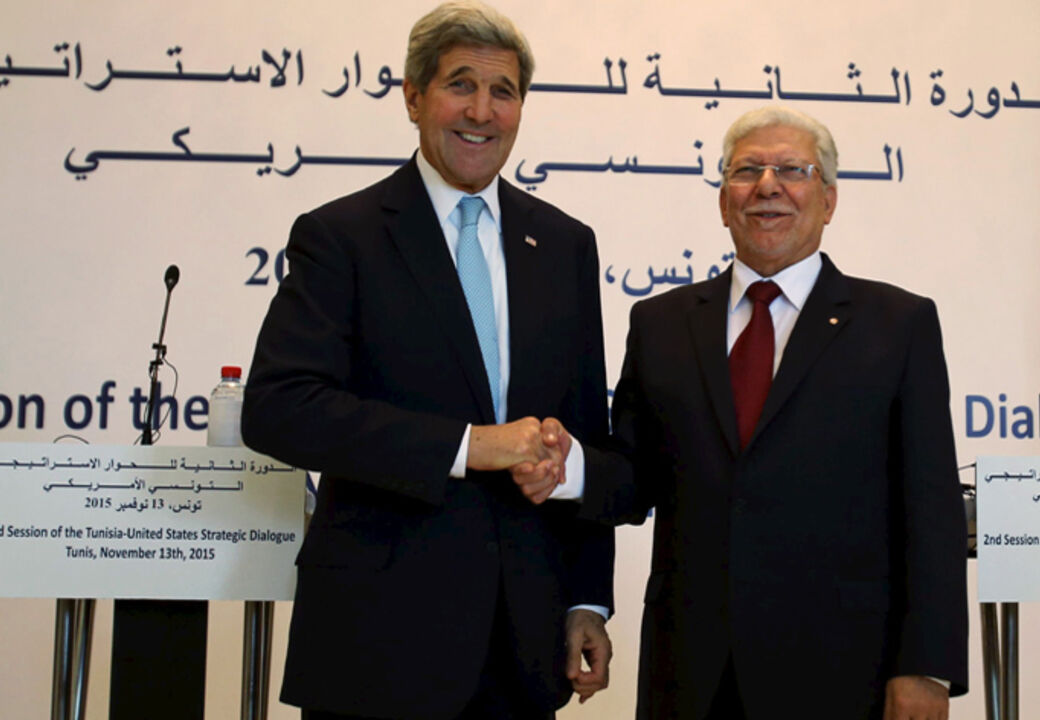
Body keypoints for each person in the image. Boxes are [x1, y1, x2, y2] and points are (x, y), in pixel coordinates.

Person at [516, 105, 968, 719]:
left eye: (793, 170)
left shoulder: (898, 324)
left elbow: (931, 508)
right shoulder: (660, 323)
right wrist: (569, 468)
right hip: (692, 673)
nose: (767, 185)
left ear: (829, 201)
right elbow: (635, 478)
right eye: (747, 170)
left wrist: (927, 666)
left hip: (844, 672)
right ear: (724, 202)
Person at [241, 2, 613, 718]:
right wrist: (468, 446)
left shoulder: (565, 244)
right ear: (413, 97)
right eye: (460, 85)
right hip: (377, 644)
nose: (482, 111)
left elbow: (583, 439)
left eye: (503, 91)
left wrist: (587, 600)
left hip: (523, 647)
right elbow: (279, 407)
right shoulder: (340, 236)